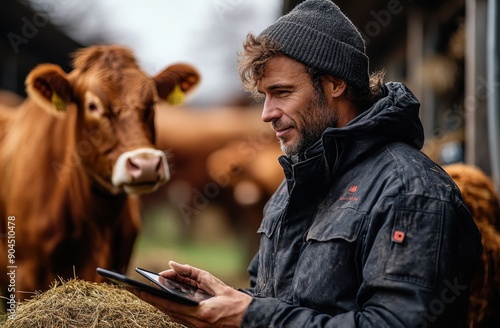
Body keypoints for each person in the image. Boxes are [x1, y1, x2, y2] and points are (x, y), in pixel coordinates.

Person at [131, 0, 483, 326]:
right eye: (264, 97)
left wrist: (250, 316)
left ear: (334, 84)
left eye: (282, 92)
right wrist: (227, 298)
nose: (267, 114)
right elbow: (276, 302)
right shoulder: (290, 188)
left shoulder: (411, 192)